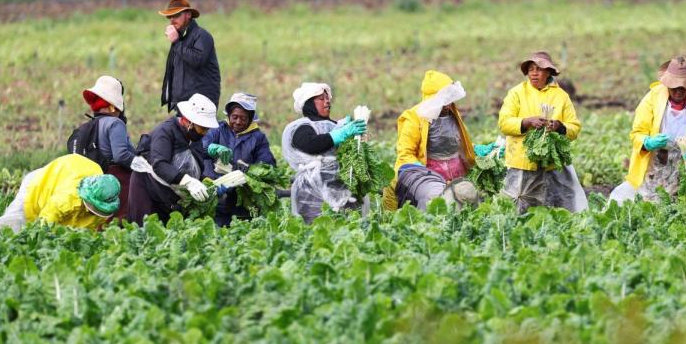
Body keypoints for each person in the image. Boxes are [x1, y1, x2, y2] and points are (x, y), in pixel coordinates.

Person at [610, 56, 686, 203]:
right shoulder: (652, 99)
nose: (678, 91)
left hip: (685, 167)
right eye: (674, 87)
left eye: (682, 87)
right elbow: (637, 133)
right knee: (645, 201)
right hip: (655, 166)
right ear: (667, 84)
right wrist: (648, 142)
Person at [127, 94, 242, 225]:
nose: (205, 133)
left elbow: (193, 164)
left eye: (207, 129)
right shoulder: (165, 131)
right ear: (189, 122)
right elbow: (159, 164)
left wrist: (208, 183)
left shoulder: (195, 138)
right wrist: (188, 182)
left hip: (170, 193)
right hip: (147, 188)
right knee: (145, 230)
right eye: (203, 128)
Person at [498, 51, 586, 212]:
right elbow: (504, 123)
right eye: (531, 69)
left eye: (539, 69)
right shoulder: (517, 93)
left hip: (552, 165)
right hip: (522, 163)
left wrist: (559, 126)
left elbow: (574, 128)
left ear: (548, 72)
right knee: (517, 209)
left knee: (560, 208)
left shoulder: (561, 96)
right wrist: (527, 122)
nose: (534, 73)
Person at [381, 70, 480, 211]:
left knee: (461, 211)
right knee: (434, 211)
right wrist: (423, 172)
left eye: (450, 99)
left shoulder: (452, 113)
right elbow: (405, 154)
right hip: (428, 177)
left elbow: (455, 144)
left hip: (456, 173)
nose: (447, 105)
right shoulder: (414, 118)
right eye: (443, 101)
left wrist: (476, 150)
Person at [281, 83, 367, 223]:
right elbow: (312, 145)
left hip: (341, 184)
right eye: (321, 99)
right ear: (309, 103)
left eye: (327, 98)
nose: (327, 101)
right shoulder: (302, 126)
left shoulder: (335, 126)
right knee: (316, 229)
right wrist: (339, 135)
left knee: (349, 227)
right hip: (311, 187)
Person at [202, 92, 277, 226]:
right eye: (234, 117)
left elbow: (268, 165)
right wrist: (212, 148)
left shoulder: (258, 138)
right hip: (215, 193)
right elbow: (200, 147)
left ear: (250, 119)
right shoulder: (217, 129)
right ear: (228, 115)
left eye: (243, 118)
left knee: (242, 230)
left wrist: (248, 171)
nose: (238, 122)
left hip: (243, 198)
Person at [0, 154, 120, 232]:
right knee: (14, 222)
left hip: (60, 180)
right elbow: (44, 224)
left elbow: (86, 230)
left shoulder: (105, 191)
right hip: (37, 185)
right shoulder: (66, 198)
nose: (91, 210)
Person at [72, 75, 138, 220]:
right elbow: (121, 156)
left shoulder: (89, 125)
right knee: (121, 221)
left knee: (101, 223)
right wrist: (142, 165)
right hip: (116, 181)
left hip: (96, 183)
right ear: (113, 105)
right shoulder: (115, 124)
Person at [159, 0, 221, 111]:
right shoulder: (180, 38)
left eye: (176, 15)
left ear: (188, 14)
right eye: (169, 16)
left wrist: (176, 43)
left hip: (201, 104)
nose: (172, 20)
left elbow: (197, 60)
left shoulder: (202, 35)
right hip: (183, 103)